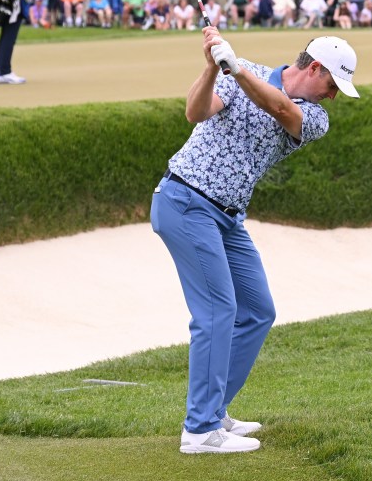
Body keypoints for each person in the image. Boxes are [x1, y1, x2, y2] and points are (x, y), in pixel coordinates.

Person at [151, 30, 359, 455]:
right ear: (315, 67)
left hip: (227, 218)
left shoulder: (313, 116)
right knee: (217, 311)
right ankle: (199, 431)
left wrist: (235, 66)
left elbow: (277, 104)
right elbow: (196, 111)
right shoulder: (238, 71)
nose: (333, 96)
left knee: (258, 311)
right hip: (186, 201)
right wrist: (212, 67)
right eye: (333, 85)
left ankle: (215, 409)